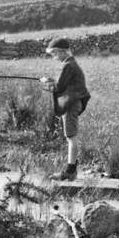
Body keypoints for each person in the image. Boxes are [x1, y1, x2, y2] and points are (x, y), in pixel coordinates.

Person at [39, 37, 90, 180]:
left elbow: (59, 88)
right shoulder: (71, 64)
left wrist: (46, 82)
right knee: (70, 136)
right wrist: (50, 81)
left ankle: (70, 171)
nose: (54, 57)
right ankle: (71, 168)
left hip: (71, 104)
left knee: (71, 137)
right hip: (73, 102)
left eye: (54, 54)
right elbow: (63, 84)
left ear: (62, 52)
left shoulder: (68, 65)